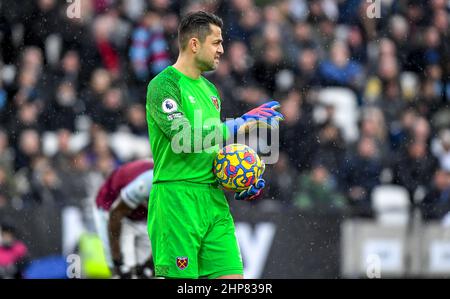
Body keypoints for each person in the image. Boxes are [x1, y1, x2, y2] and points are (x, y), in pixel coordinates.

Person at [146, 11, 284, 279]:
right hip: (177, 200)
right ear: (194, 44)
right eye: (216, 42)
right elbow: (183, 138)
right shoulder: (163, 85)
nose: (222, 50)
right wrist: (238, 124)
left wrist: (238, 178)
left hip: (214, 200)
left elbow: (208, 149)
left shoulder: (211, 92)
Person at [94, 159, 154, 278]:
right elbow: (115, 214)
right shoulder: (147, 182)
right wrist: (117, 260)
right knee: (122, 273)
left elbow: (169, 231)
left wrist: (150, 263)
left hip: (139, 212)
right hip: (112, 209)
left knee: (147, 272)